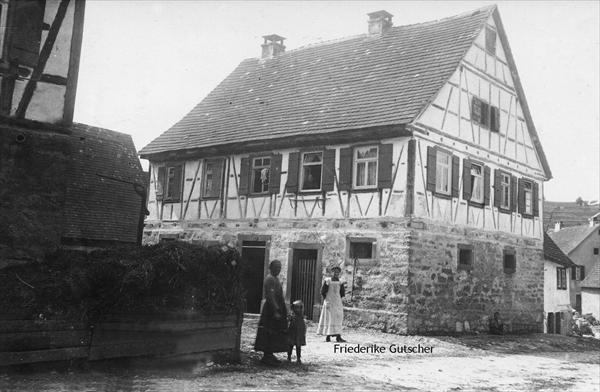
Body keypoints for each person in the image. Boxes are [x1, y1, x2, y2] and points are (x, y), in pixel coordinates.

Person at [254, 260, 288, 365]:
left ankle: (270, 353)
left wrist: (284, 309)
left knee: (275, 332)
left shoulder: (276, 279)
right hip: (270, 310)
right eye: (276, 267)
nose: (278, 269)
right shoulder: (269, 279)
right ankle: (267, 355)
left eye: (279, 267)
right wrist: (276, 310)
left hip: (277, 308)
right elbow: (270, 296)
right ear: (271, 267)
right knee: (268, 332)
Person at [317, 265, 347, 342]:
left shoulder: (340, 281)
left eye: (337, 272)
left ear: (339, 273)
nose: (336, 274)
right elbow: (323, 291)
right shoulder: (328, 281)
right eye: (334, 272)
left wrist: (342, 298)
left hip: (337, 302)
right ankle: (328, 336)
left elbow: (342, 292)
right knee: (329, 318)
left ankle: (338, 336)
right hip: (329, 301)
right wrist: (326, 299)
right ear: (332, 272)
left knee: (338, 317)